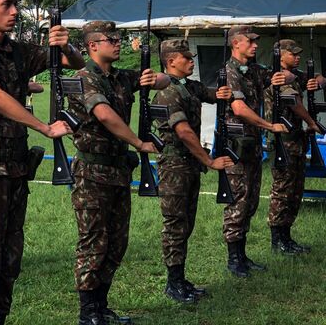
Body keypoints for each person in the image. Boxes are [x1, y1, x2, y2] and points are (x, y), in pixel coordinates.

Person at [0, 0, 85, 325]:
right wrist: (43, 127)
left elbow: (71, 63)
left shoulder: (17, 51)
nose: (15, 12)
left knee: (10, 260)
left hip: (15, 169)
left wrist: (65, 44)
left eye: (16, 5)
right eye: (7, 6)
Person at [67, 20, 169, 325]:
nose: (117, 42)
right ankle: (88, 312)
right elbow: (104, 114)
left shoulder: (122, 78)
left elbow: (163, 81)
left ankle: (101, 305)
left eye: (118, 38)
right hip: (92, 171)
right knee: (93, 240)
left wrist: (156, 78)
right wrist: (138, 142)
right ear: (92, 45)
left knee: (117, 241)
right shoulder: (83, 78)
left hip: (118, 170)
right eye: (110, 39)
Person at [152, 39, 234, 303]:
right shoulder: (167, 92)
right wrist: (209, 160)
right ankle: (173, 283)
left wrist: (222, 92)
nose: (191, 61)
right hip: (174, 164)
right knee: (175, 223)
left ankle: (180, 278)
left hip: (188, 165)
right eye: (185, 57)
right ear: (170, 61)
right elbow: (184, 131)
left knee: (186, 222)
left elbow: (209, 93)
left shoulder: (187, 86)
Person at [223, 25, 292, 278]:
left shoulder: (252, 70)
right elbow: (239, 108)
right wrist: (268, 125)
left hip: (251, 146)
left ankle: (242, 255)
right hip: (236, 147)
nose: (255, 46)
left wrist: (281, 77)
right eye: (250, 42)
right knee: (238, 202)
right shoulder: (229, 72)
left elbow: (281, 76)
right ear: (236, 43)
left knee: (250, 201)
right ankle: (233, 259)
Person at [264, 39, 326, 254]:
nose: (297, 57)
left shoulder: (295, 74)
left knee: (295, 191)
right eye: (293, 54)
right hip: (283, 141)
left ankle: (286, 237)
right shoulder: (277, 77)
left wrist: (316, 81)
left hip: (296, 141)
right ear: (281, 56)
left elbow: (322, 78)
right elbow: (294, 101)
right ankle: (277, 239)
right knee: (282, 191)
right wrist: (311, 122)